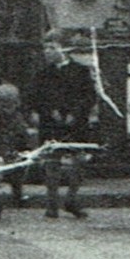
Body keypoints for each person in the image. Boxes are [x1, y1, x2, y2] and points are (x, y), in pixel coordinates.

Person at [24, 31, 101, 219]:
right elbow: (34, 97)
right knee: (52, 162)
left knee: (79, 161)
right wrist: (49, 111)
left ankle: (71, 199)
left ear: (64, 49)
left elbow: (89, 96)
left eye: (52, 47)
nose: (47, 52)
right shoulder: (43, 74)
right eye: (46, 48)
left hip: (76, 124)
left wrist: (75, 113)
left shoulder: (81, 71)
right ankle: (52, 204)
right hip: (51, 124)